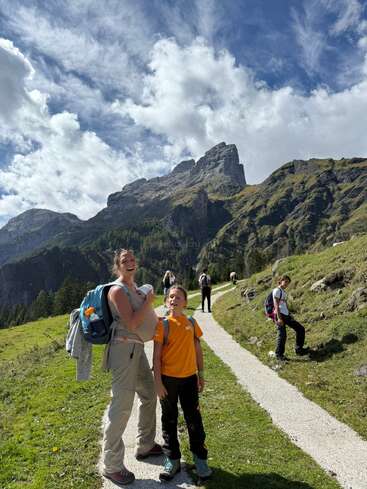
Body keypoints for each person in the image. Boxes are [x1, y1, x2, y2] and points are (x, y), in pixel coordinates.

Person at [102, 249, 162, 486]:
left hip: (135, 348)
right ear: (117, 266)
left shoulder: (134, 287)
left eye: (132, 259)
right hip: (123, 350)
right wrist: (148, 302)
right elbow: (134, 322)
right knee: (122, 405)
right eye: (124, 260)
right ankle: (112, 465)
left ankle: (145, 444)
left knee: (149, 393)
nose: (130, 263)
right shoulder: (117, 290)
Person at [153, 286, 212, 482]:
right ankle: (172, 459)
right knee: (169, 419)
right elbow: (156, 355)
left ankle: (200, 459)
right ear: (165, 301)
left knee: (193, 418)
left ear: (185, 303)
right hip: (168, 380)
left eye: (178, 297)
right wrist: (158, 382)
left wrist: (201, 375)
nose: (174, 299)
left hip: (189, 379)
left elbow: (198, 351)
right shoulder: (162, 325)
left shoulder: (192, 322)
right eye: (170, 296)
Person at [273, 275, 309, 361]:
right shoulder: (277, 290)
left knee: (300, 329)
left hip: (286, 315)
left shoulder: (283, 292)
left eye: (288, 282)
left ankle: (299, 349)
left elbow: (284, 305)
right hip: (279, 315)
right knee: (282, 335)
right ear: (280, 281)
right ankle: (279, 355)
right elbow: (276, 305)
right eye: (285, 281)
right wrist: (279, 318)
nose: (286, 284)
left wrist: (289, 313)